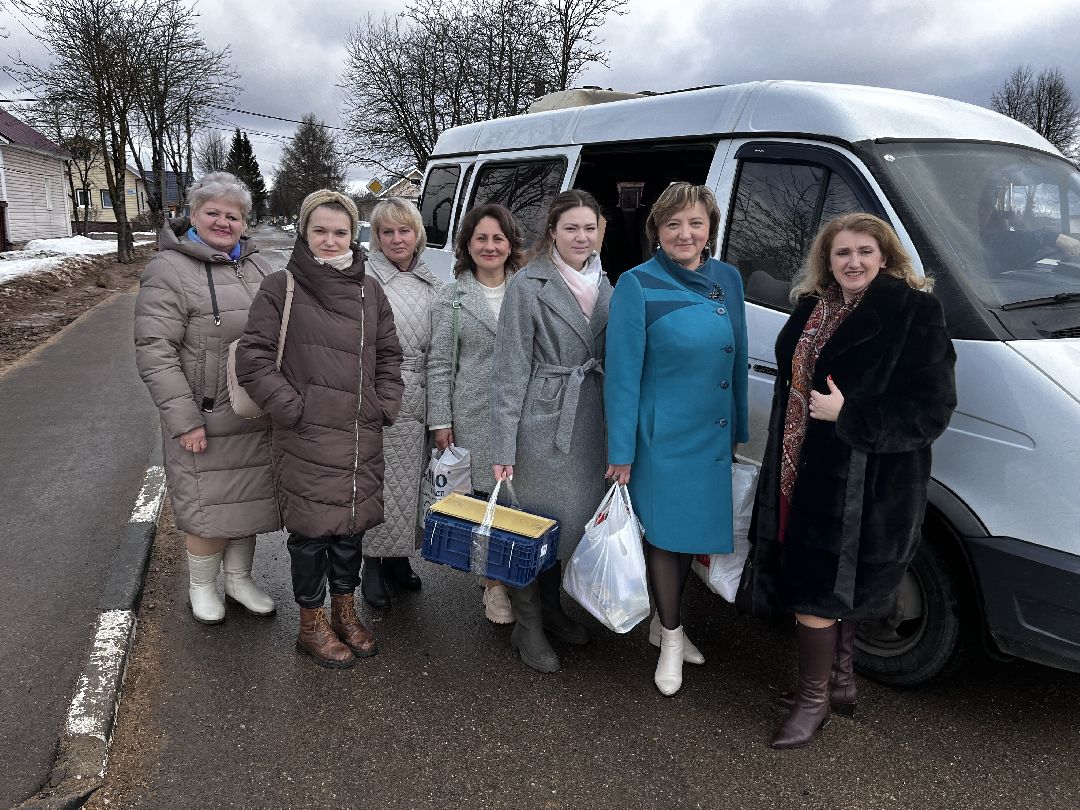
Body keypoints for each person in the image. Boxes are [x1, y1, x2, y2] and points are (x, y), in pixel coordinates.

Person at [748, 212, 957, 748]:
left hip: (865, 481)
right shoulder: (813, 307)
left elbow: (932, 408)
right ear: (828, 259)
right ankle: (839, 683)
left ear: (884, 257)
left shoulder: (915, 311)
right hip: (799, 465)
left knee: (818, 587)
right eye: (842, 252)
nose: (853, 261)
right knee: (822, 580)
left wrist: (851, 415)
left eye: (865, 251)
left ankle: (812, 700)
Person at [234, 190, 404, 668]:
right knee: (311, 533)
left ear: (354, 235)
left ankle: (344, 612)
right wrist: (294, 409)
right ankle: (311, 624)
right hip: (306, 434)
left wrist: (383, 404)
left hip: (359, 432)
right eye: (320, 231)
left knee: (350, 528)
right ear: (304, 233)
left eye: (340, 232)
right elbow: (253, 358)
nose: (331, 240)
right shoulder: (281, 286)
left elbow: (389, 356)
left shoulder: (371, 290)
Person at [605, 182, 749, 696]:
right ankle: (670, 635)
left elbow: (737, 356)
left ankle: (662, 623)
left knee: (690, 534)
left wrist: (738, 430)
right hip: (661, 437)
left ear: (710, 228)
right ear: (657, 231)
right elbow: (623, 376)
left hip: (711, 435)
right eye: (673, 224)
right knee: (665, 536)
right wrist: (621, 453)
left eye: (695, 223)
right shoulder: (637, 284)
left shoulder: (727, 278)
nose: (684, 233)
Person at [134, 171, 280, 625]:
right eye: (212, 213)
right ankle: (201, 585)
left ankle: (239, 580)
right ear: (193, 215)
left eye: (232, 216)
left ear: (244, 222)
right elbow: (155, 351)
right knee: (208, 505)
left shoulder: (259, 267)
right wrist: (185, 419)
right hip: (206, 416)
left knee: (248, 500)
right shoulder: (169, 269)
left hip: (253, 413)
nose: (223, 222)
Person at [491, 189, 612, 673]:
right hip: (542, 421)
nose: (581, 237)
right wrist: (503, 445)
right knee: (529, 523)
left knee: (568, 522)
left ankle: (552, 608)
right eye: (571, 228)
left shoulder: (608, 281)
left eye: (589, 227)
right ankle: (528, 625)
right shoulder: (528, 284)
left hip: (591, 418)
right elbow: (508, 370)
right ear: (552, 232)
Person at [427, 203, 525, 625]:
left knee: (522, 496)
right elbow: (438, 363)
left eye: (498, 238)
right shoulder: (452, 297)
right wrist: (441, 420)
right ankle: (493, 585)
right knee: (486, 500)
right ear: (467, 244)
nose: (490, 246)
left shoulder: (528, 290)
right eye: (481, 238)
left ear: (511, 244)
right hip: (474, 412)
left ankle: (523, 575)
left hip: (525, 412)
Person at [360, 197, 442, 610]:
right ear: (376, 237)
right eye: (387, 231)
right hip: (386, 392)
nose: (397, 239)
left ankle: (398, 557)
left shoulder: (431, 280)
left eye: (404, 230)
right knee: (382, 483)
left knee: (413, 485)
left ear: (417, 234)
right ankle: (372, 563)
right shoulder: (365, 278)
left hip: (425, 393)